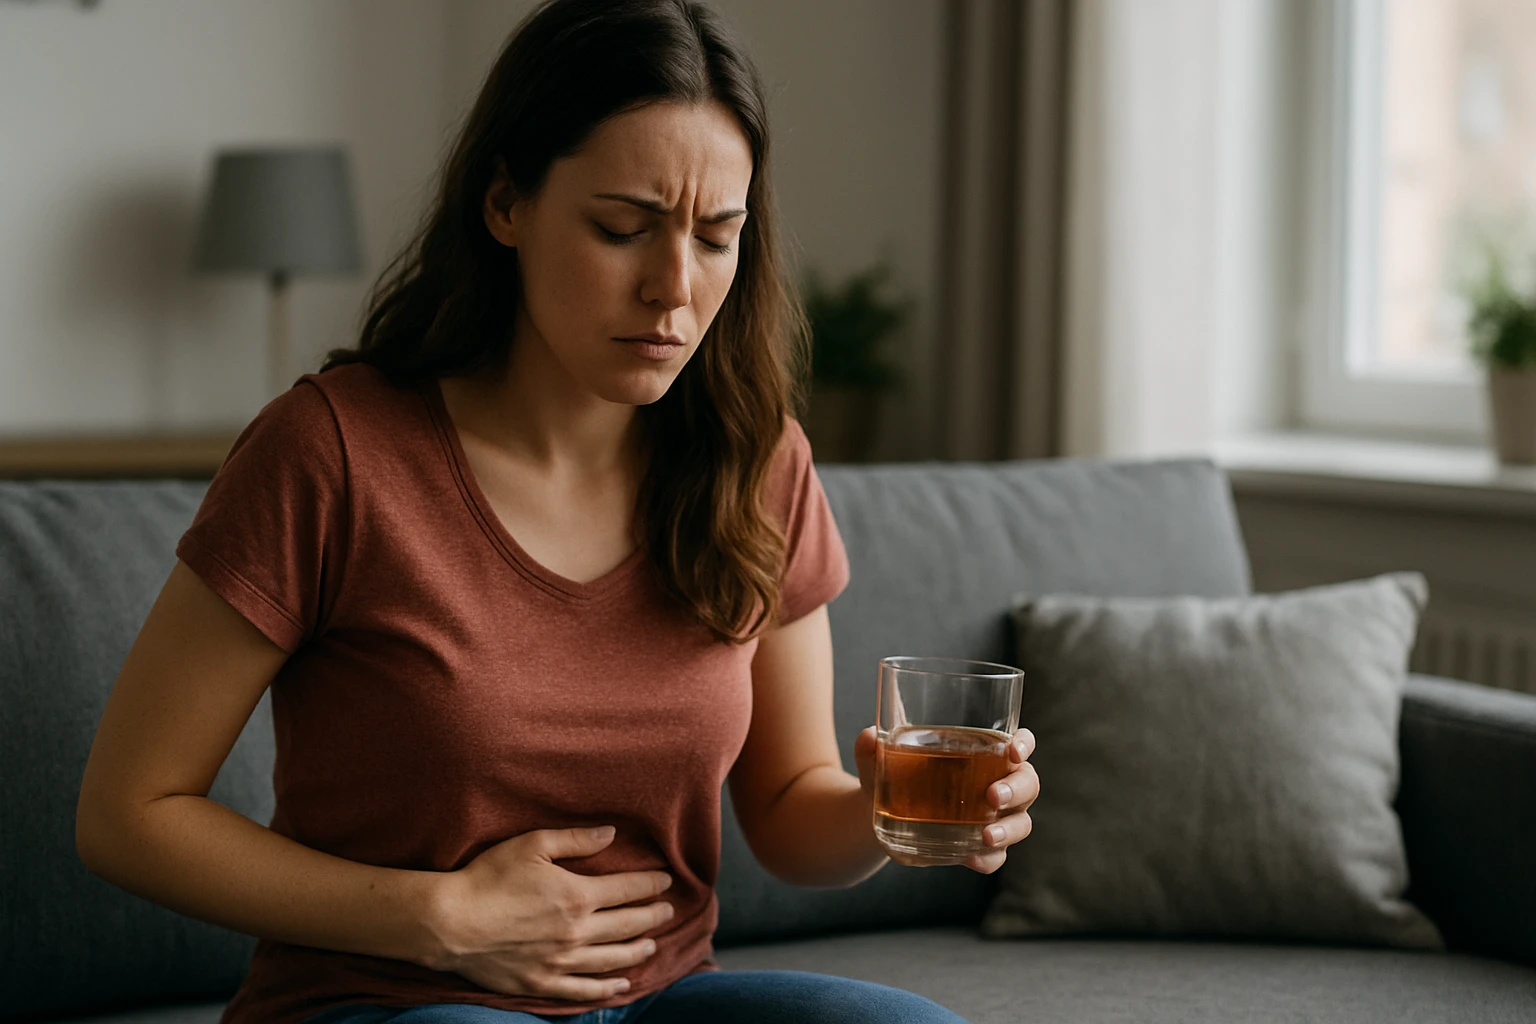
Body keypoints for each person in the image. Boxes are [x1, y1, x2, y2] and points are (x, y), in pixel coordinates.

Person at [74, 1, 1040, 1022]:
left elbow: (793, 811)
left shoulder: (757, 463)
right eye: (622, 227)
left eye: (717, 238)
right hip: (384, 998)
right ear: (506, 205)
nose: (674, 287)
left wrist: (892, 812)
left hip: (660, 999)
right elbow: (128, 814)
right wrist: (439, 914)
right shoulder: (333, 453)